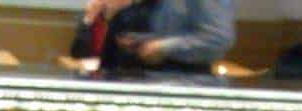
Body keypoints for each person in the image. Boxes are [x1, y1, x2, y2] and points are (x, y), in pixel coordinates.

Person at [75, 0, 234, 75]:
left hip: (180, 88)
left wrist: (164, 47)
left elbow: (218, 37)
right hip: (123, 83)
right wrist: (100, 19)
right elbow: (81, 52)